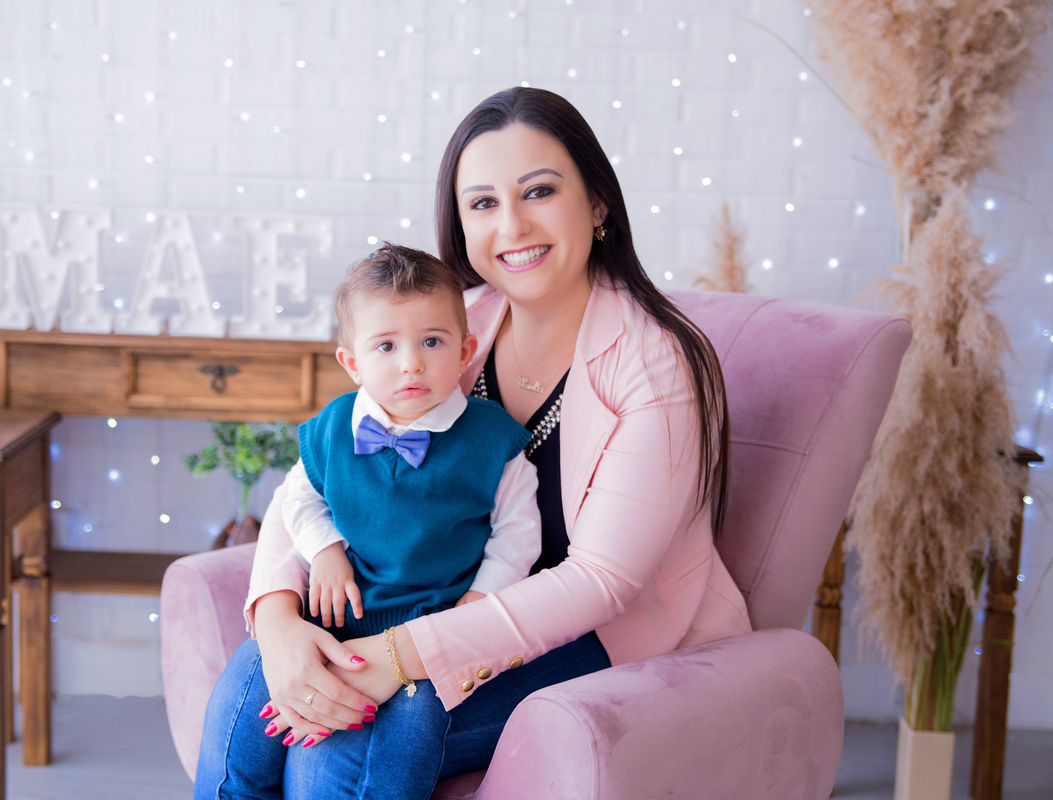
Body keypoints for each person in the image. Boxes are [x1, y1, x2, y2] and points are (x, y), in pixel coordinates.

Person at [194, 86, 752, 800]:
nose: (513, 225)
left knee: (328, 751)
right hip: (423, 603)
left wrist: (401, 654)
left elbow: (603, 582)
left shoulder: (654, 361)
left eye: (540, 191)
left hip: (591, 636)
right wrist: (276, 619)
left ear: (598, 204)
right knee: (250, 683)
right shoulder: (451, 327)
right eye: (483, 203)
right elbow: (322, 471)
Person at [193, 242, 542, 799]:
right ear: (352, 362)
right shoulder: (332, 429)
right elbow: (297, 502)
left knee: (405, 737)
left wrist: (472, 617)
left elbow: (517, 540)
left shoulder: (493, 441)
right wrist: (326, 550)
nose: (411, 363)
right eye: (386, 345)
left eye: (432, 341)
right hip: (334, 619)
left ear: (464, 348)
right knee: (244, 693)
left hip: (428, 634)